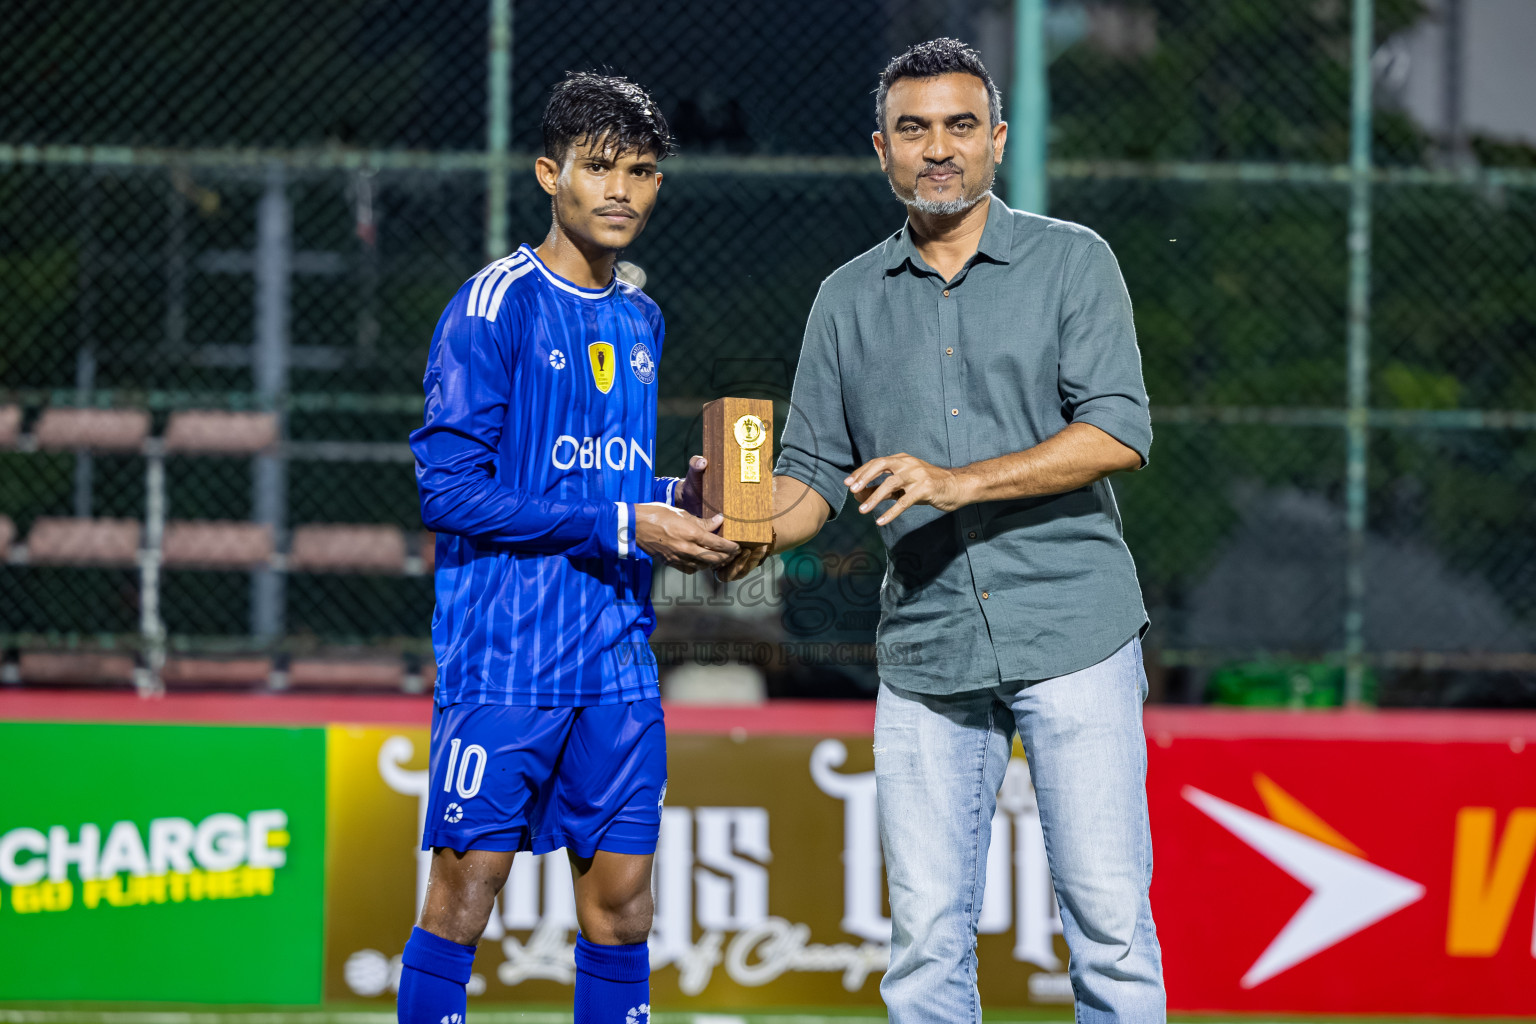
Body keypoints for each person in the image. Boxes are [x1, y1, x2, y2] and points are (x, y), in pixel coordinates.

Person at [719, 38, 1166, 1024]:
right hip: (925, 647)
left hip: (1073, 631)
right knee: (924, 944)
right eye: (913, 129)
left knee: (1110, 925)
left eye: (960, 126)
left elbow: (1118, 432)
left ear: (997, 140)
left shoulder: (1073, 260)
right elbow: (809, 477)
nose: (938, 149)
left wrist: (958, 482)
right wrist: (737, 530)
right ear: (879, 150)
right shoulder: (844, 299)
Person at [401, 71, 737, 1024]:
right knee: (464, 903)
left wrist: (684, 500)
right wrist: (628, 522)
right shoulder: (490, 306)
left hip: (618, 661)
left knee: (625, 911)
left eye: (641, 172)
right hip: (504, 657)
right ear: (551, 174)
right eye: (598, 169)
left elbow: (612, 481)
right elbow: (448, 490)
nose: (622, 190)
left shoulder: (641, 316)